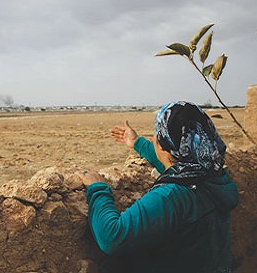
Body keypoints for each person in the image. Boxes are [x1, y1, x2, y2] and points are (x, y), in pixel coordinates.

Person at [77, 101, 239, 272]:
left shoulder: (173, 196)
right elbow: (177, 165)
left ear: (162, 144)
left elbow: (111, 237)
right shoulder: (215, 176)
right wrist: (137, 143)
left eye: (157, 135)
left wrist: (98, 188)